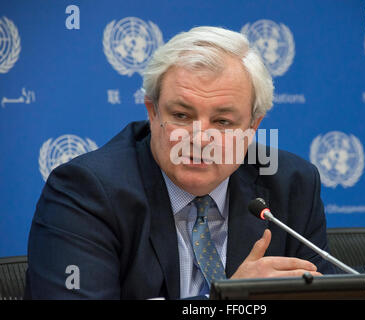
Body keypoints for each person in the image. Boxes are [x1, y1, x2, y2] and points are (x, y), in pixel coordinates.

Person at [25, 26, 335, 299]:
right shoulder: (86, 191)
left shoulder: (291, 184)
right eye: (182, 116)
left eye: (223, 121)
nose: (200, 139)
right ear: (153, 113)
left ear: (252, 127)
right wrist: (229, 302)